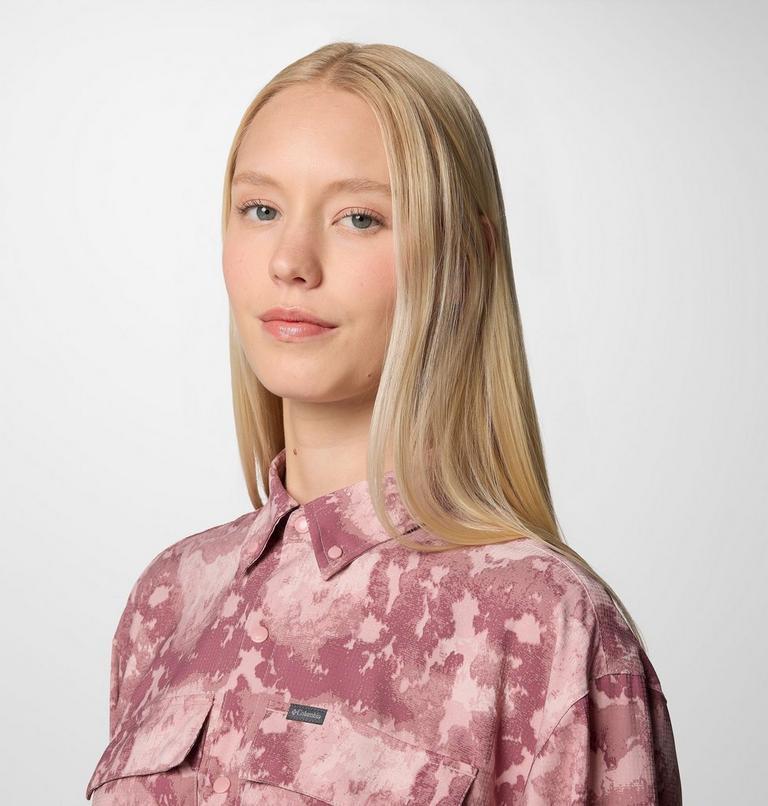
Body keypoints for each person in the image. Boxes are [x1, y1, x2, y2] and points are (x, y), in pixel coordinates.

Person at [85, 41, 682, 805]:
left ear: (464, 260)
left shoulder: (545, 626)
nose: (291, 261)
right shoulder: (169, 598)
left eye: (359, 218)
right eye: (261, 209)